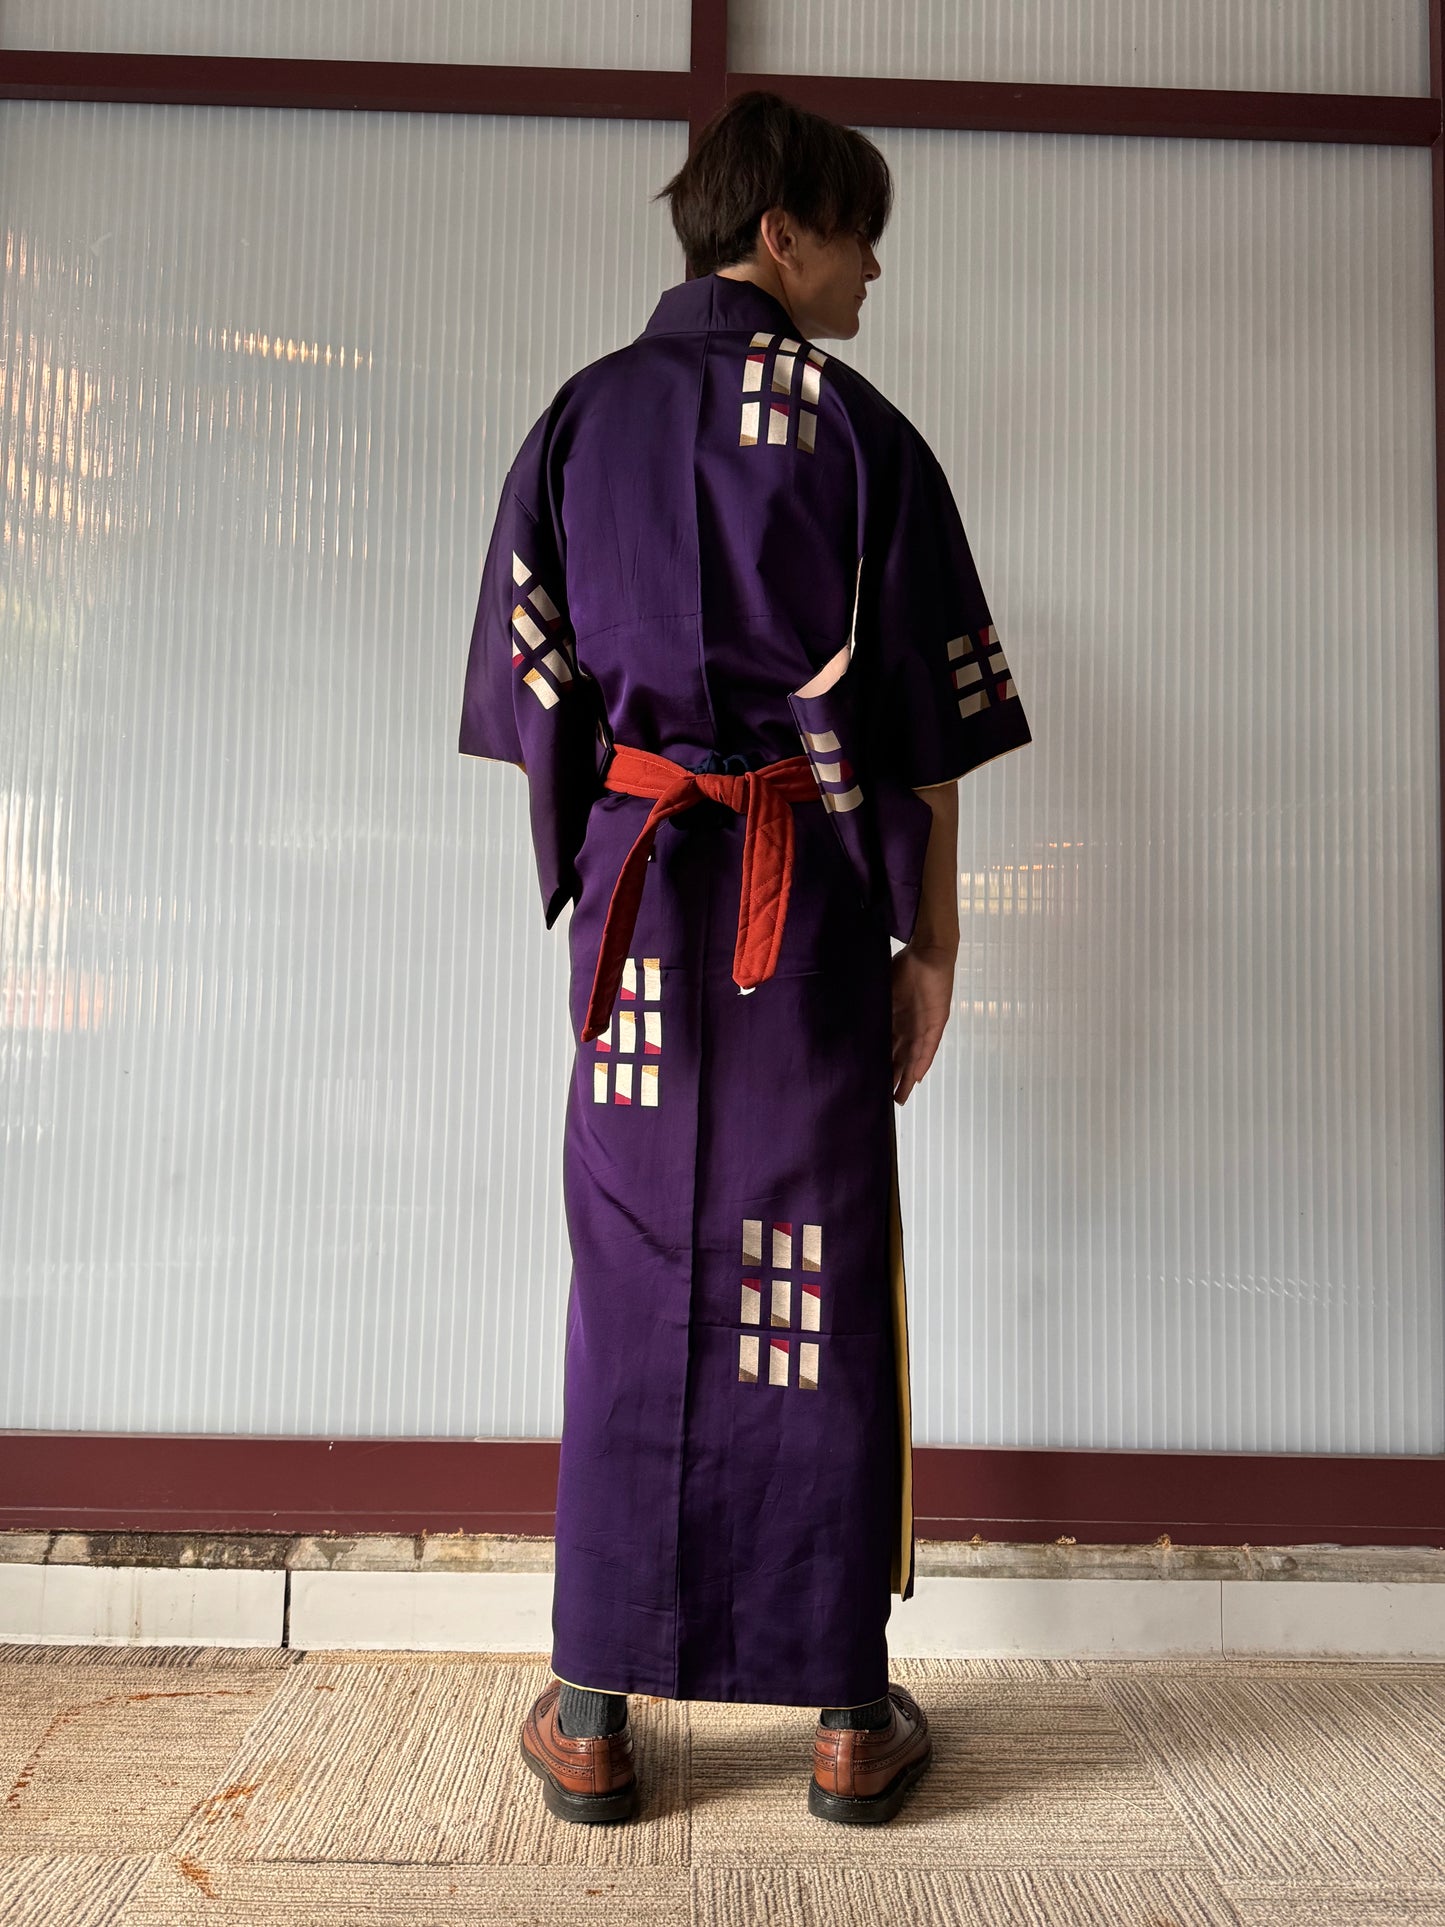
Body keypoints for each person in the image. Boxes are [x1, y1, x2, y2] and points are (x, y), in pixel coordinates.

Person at [459, 89, 1032, 1827]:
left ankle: (591, 1709)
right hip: (804, 929)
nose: (871, 272)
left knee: (632, 1281)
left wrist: (604, 853)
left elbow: (529, 688)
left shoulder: (577, 422)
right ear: (781, 232)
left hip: (645, 921)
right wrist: (931, 942)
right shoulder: (860, 436)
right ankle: (846, 1715)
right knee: (814, 1281)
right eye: (857, 235)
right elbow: (928, 730)